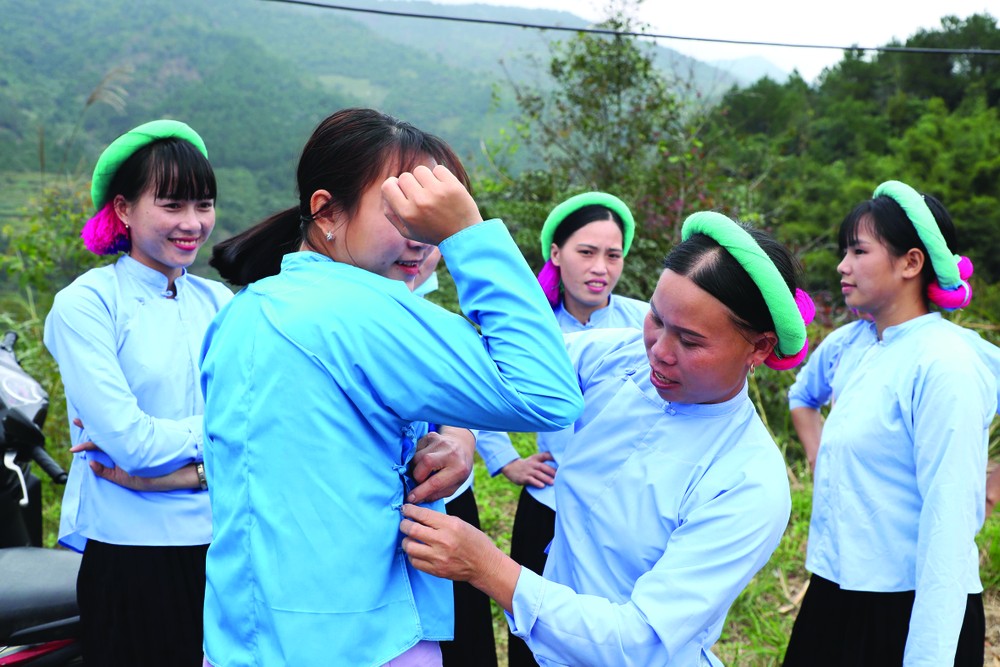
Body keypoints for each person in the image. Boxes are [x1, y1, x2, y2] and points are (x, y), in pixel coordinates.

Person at [198, 107, 584, 667]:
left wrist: (453, 439)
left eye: (431, 215)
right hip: (361, 641)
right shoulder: (364, 309)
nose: (422, 237)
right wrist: (467, 232)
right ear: (327, 211)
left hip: (244, 634)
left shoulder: (243, 310)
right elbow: (548, 393)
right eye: (402, 209)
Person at [399, 211, 813, 666]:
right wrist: (461, 437)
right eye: (657, 319)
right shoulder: (618, 357)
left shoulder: (749, 481)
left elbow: (638, 639)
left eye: (691, 342)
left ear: (759, 347)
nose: (659, 351)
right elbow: (503, 370)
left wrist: (486, 566)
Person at [782, 181, 996, 666]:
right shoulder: (851, 344)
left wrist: (990, 488)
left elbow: (946, 528)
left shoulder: (945, 364)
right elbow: (802, 396)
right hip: (836, 587)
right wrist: (820, 455)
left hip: (913, 603)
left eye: (859, 251)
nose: (843, 265)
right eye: (844, 252)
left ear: (911, 263)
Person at [42, 119, 232, 666]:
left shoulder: (220, 303)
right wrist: (220, 435)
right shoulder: (87, 304)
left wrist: (185, 472)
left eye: (203, 205)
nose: (192, 223)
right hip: (132, 560)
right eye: (171, 206)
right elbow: (134, 447)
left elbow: (267, 431)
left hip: (225, 550)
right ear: (123, 209)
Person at [473, 192, 649, 666]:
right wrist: (506, 460)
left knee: (607, 629)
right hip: (548, 504)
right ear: (556, 252)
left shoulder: (645, 321)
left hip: (624, 508)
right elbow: (481, 387)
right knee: (532, 624)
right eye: (586, 252)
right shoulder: (533, 328)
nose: (600, 268)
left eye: (613, 255)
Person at [789, 312, 1000, 513]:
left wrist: (990, 495)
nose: (843, 276)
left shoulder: (954, 349)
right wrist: (820, 463)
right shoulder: (845, 341)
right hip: (840, 524)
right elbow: (803, 395)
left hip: (911, 529)